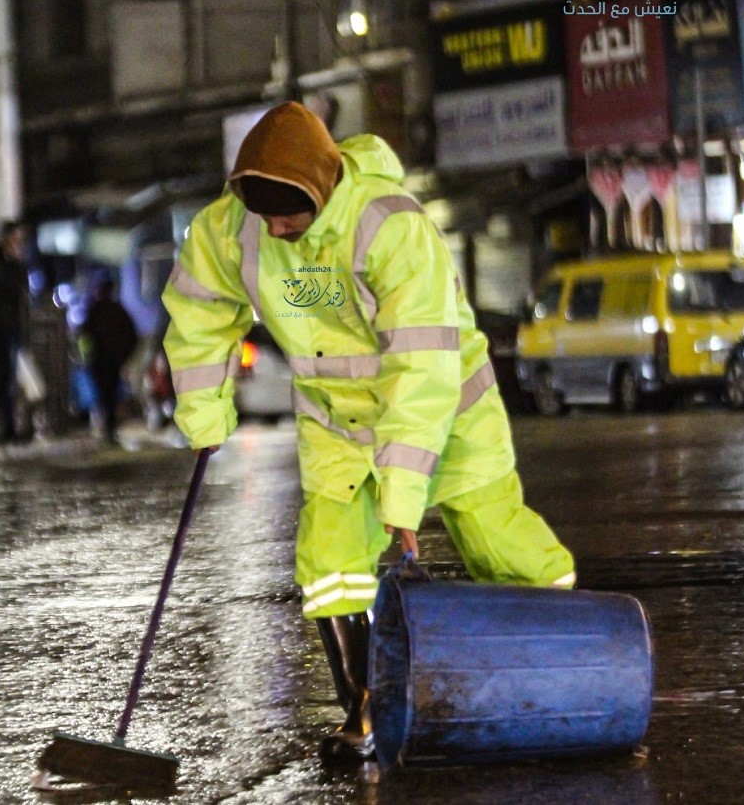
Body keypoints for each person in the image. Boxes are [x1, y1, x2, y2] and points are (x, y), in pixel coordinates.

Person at [161, 102, 575, 763]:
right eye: (263, 214)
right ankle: (366, 707)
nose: (275, 227)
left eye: (288, 214)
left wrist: (402, 494)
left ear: (320, 189)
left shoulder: (389, 226)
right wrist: (203, 412)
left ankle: (574, 656)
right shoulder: (236, 229)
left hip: (446, 407)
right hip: (337, 421)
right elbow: (199, 309)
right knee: (328, 560)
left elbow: (421, 366)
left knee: (496, 537)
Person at [0, 220, 31, 442]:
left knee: (11, 378)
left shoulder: (16, 263)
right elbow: (5, 287)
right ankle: (6, 426)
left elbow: (21, 291)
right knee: (4, 379)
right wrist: (13, 263)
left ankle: (12, 425)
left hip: (12, 326)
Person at [80, 276, 139, 444]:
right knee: (108, 394)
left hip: (104, 361)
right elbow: (132, 336)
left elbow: (84, 335)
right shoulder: (114, 311)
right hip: (107, 361)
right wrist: (124, 356)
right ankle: (109, 426)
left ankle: (109, 426)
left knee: (106, 394)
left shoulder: (98, 311)